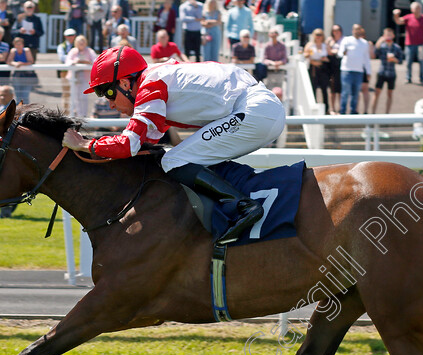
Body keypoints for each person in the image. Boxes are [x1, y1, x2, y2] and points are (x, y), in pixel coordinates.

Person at [61, 46, 285, 245]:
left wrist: (84, 144)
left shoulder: (151, 85)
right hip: (257, 109)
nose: (109, 103)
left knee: (174, 160)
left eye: (107, 92)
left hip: (254, 111)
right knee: (178, 157)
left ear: (125, 83)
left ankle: (243, 207)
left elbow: (129, 145)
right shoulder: (157, 79)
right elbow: (147, 141)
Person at [394, 3, 423, 85]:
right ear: (411, 9)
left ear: (420, 9)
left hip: (421, 44)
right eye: (415, 8)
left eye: (418, 8)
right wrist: (396, 15)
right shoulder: (408, 17)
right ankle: (408, 78)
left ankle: (422, 78)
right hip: (409, 44)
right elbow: (398, 21)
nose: (416, 10)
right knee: (408, 62)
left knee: (422, 62)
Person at [338, 24, 370, 115]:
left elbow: (366, 58)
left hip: (358, 71)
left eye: (358, 29)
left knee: (355, 93)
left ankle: (353, 112)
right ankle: (342, 111)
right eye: (355, 29)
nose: (357, 31)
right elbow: (340, 53)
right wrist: (344, 52)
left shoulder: (364, 43)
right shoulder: (346, 40)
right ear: (352, 30)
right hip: (346, 70)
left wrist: (368, 71)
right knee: (345, 92)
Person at [371, 27, 402, 115]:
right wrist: (379, 41)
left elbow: (400, 61)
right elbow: (374, 54)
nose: (388, 37)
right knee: (376, 93)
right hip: (382, 71)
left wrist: (394, 59)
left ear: (393, 36)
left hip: (391, 73)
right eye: (386, 35)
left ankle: (387, 114)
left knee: (390, 94)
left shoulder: (397, 47)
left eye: (390, 35)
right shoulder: (382, 46)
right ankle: (372, 114)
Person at [65, 34, 97, 117]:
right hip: (74, 77)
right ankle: (76, 115)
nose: (81, 44)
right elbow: (68, 61)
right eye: (79, 43)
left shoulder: (90, 51)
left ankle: (83, 115)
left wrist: (87, 62)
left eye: (83, 42)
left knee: (83, 97)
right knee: (75, 97)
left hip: (85, 77)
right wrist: (75, 62)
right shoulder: (73, 51)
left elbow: (95, 61)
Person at [304, 28, 330, 111]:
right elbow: (305, 54)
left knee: (324, 88)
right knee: (313, 88)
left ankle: (326, 109)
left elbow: (330, 57)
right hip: (314, 68)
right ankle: (313, 107)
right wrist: (312, 60)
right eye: (317, 35)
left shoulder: (325, 45)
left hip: (323, 68)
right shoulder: (310, 45)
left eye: (320, 35)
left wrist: (324, 59)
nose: (318, 37)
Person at [7, 36, 35, 104]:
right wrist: (15, 63)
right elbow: (9, 61)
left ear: (23, 44)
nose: (18, 46)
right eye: (17, 44)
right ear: (14, 45)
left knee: (25, 95)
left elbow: (31, 61)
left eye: (20, 44)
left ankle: (27, 113)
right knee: (18, 96)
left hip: (27, 75)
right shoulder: (13, 51)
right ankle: (19, 113)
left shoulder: (26, 50)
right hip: (17, 76)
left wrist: (21, 64)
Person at [327, 24, 343, 114]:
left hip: (341, 66)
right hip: (331, 66)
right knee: (332, 89)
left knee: (340, 89)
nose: (336, 32)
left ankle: (340, 108)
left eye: (337, 30)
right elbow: (328, 51)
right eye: (334, 30)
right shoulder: (330, 40)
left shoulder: (343, 40)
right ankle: (332, 108)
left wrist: (334, 51)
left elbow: (342, 52)